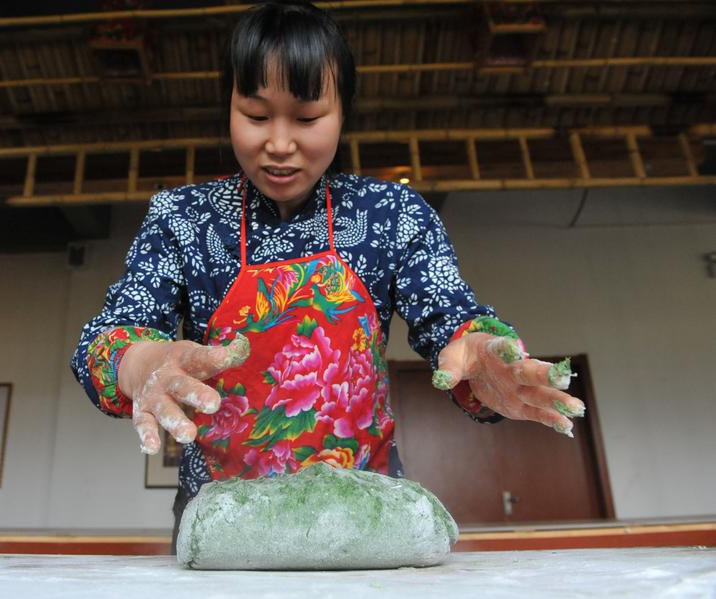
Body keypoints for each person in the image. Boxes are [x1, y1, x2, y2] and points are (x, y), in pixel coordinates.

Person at [70, 0, 585, 547]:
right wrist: (141, 361)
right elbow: (107, 338)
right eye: (257, 114)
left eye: (308, 117)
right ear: (229, 106)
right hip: (224, 528)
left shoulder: (392, 215)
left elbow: (452, 320)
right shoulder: (184, 219)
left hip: (366, 520)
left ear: (344, 112)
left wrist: (482, 354)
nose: (280, 143)